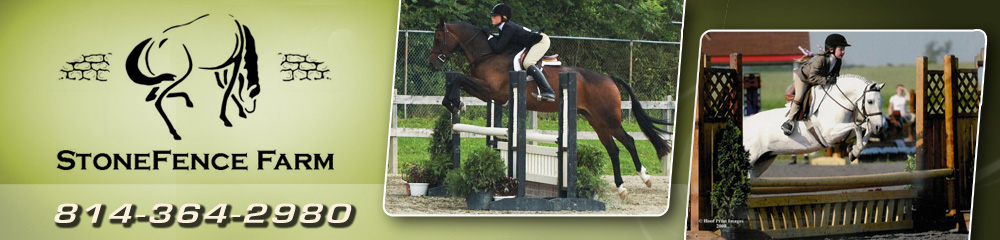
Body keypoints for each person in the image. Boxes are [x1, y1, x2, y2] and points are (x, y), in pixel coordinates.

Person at [782, 34, 851, 135]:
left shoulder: (838, 62)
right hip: (803, 78)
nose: (843, 52)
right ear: (831, 49)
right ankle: (790, 121)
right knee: (800, 96)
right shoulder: (821, 60)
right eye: (841, 49)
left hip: (818, 79)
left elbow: (835, 76)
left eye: (844, 49)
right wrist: (827, 80)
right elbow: (812, 77)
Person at [487, 3, 555, 102]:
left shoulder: (508, 27)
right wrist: (490, 36)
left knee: (528, 63)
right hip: (531, 43)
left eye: (494, 16)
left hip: (541, 41)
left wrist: (489, 36)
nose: (491, 17)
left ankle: (549, 91)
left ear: (503, 17)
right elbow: (501, 43)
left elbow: (498, 48)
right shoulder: (503, 27)